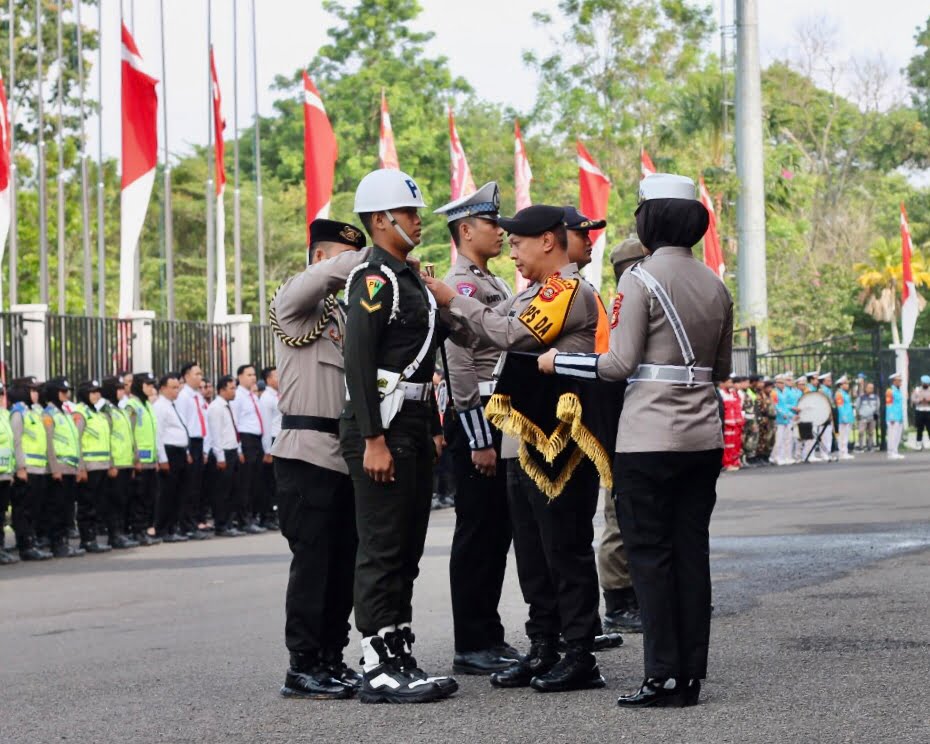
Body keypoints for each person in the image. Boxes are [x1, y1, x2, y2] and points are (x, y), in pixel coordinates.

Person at [539, 172, 733, 708]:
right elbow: (718, 366)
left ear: (650, 219)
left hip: (648, 437)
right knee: (692, 551)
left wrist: (560, 361)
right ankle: (690, 672)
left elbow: (618, 363)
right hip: (704, 435)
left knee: (649, 555)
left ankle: (662, 676)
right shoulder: (715, 282)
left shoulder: (639, 279)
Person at [424, 204, 609, 693]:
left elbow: (510, 333)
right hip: (525, 434)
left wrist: (451, 298)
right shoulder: (531, 291)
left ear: (548, 241)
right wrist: (446, 311)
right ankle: (544, 644)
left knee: (563, 546)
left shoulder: (566, 290)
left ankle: (579, 652)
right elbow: (483, 328)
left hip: (560, 439)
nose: (513, 251)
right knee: (531, 551)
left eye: (520, 242)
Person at [341, 169, 456, 704]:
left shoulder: (409, 278)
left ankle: (399, 649)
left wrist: (431, 427)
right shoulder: (373, 278)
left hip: (412, 423)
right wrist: (373, 440)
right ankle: (376, 662)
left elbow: (426, 363)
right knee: (382, 546)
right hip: (381, 425)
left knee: (407, 545)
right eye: (408, 214)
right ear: (382, 220)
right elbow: (359, 363)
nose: (416, 221)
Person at [270, 217, 371, 700]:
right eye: (343, 258)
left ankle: (332, 655)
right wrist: (381, 256)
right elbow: (325, 278)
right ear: (320, 258)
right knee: (313, 565)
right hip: (306, 454)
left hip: (345, 453)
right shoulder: (294, 303)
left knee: (344, 564)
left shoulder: (342, 316)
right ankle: (303, 664)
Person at [433, 182, 521, 675]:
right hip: (479, 416)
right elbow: (461, 366)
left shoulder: (494, 281)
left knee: (497, 532)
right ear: (466, 230)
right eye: (492, 223)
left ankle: (488, 634)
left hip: (498, 411)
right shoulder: (461, 285)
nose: (501, 231)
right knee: (477, 534)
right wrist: (479, 437)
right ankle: (471, 641)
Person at [598, 237, 649, 635]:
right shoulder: (618, 311)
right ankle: (618, 601)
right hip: (616, 429)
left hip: (640, 426)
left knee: (638, 517)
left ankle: (638, 594)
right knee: (618, 518)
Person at [72, 380, 114, 554]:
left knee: (97, 504)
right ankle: (87, 539)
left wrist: (110, 463)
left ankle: (93, 538)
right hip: (89, 467)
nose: (97, 395)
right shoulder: (80, 413)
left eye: (98, 392)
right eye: (92, 392)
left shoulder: (97, 413)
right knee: (86, 505)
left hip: (101, 466)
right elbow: (77, 441)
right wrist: (80, 467)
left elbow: (106, 440)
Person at [99, 376, 138, 549]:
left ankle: (121, 532)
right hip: (116, 463)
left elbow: (130, 435)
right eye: (119, 388)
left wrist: (135, 458)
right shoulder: (105, 410)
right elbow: (105, 439)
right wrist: (111, 463)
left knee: (124, 499)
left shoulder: (120, 409)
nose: (122, 391)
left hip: (126, 462)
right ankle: (114, 534)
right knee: (114, 501)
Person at [152, 373, 191, 542]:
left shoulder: (172, 405)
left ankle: (172, 528)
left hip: (180, 452)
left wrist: (187, 452)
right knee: (167, 493)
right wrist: (163, 459)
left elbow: (181, 429)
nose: (177, 391)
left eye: (178, 387)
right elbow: (158, 435)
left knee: (178, 492)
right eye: (173, 387)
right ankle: (163, 529)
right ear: (162, 388)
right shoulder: (160, 406)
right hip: (169, 453)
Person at [124, 373, 162, 546]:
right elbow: (129, 434)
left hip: (150, 460)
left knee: (148, 497)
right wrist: (135, 458)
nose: (151, 388)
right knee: (138, 498)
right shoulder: (131, 406)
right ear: (139, 385)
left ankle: (145, 530)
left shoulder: (147, 405)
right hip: (139, 461)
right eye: (148, 384)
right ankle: (137, 531)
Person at [176, 362, 212, 538]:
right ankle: (186, 526)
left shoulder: (198, 396)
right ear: (186, 376)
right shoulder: (183, 397)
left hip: (199, 443)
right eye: (196, 374)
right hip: (189, 443)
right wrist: (188, 450)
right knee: (188, 487)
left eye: (200, 374)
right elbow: (183, 423)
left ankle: (195, 522)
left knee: (197, 486)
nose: (200, 377)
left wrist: (204, 449)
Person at [206, 375, 244, 538]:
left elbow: (233, 430)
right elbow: (215, 434)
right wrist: (220, 457)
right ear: (222, 390)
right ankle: (221, 525)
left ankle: (229, 522)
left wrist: (239, 450)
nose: (234, 391)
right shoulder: (216, 407)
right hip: (223, 453)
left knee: (232, 490)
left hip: (232, 451)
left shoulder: (229, 406)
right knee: (222, 492)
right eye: (231, 388)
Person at [231, 364, 267, 534]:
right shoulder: (237, 396)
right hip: (246, 440)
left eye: (254, 374)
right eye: (249, 374)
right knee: (245, 483)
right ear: (240, 377)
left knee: (256, 482)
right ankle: (243, 520)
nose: (253, 378)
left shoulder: (253, 396)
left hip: (257, 440)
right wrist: (239, 448)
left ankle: (253, 517)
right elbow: (235, 423)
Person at [259, 366, 281, 530]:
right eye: (276, 375)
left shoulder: (277, 395)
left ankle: (276, 514)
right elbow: (266, 425)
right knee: (271, 483)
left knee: (279, 482)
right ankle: (268, 516)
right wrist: (268, 450)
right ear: (268, 379)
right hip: (272, 440)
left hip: (280, 439)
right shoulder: (266, 398)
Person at [720, 376, 743, 471]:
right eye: (729, 382)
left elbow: (737, 408)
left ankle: (733, 462)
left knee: (734, 444)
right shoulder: (721, 393)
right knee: (727, 445)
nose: (731, 384)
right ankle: (727, 463)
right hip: (727, 423)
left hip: (734, 423)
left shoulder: (732, 394)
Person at [834, 376, 855, 460]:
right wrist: (844, 417)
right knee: (842, 436)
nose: (847, 385)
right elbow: (840, 407)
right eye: (845, 383)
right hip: (843, 418)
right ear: (840, 385)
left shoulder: (845, 393)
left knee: (846, 436)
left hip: (848, 417)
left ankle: (845, 451)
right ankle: (842, 452)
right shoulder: (839, 393)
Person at [886, 373, 905, 459]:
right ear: (894, 381)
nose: (901, 382)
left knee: (897, 435)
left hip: (899, 416)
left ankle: (895, 451)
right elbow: (889, 405)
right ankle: (890, 452)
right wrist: (892, 417)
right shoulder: (890, 391)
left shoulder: (897, 391)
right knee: (892, 435)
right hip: (893, 417)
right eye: (899, 380)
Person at [856, 382, 879, 452]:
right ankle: (861, 447)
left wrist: (875, 416)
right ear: (866, 388)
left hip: (872, 417)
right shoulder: (861, 397)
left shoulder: (875, 397)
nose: (870, 389)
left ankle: (870, 447)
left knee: (871, 432)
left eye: (872, 388)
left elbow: (877, 407)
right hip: (863, 417)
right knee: (861, 432)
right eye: (869, 387)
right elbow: (857, 406)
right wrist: (860, 414)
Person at [910, 375, 930, 449]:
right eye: (924, 383)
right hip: (919, 411)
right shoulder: (917, 390)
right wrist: (919, 400)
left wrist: (928, 400)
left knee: (929, 428)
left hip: (928, 411)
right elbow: (912, 399)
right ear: (921, 383)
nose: (925, 384)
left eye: (927, 383)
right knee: (919, 428)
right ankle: (919, 444)